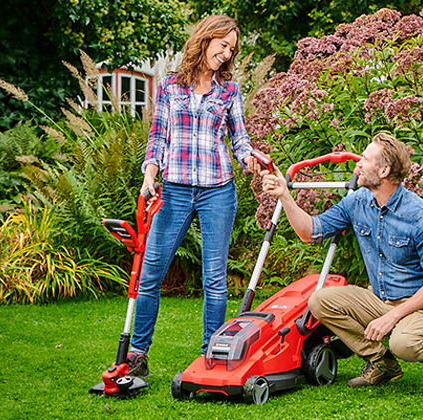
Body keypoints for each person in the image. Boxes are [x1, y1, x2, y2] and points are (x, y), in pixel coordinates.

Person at [261, 133, 423, 395]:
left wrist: (392, 316)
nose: (357, 165)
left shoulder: (421, 217)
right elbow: (310, 232)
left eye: (365, 159)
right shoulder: (358, 201)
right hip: (382, 299)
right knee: (319, 301)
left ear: (383, 170)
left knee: (403, 343)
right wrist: (284, 195)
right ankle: (382, 362)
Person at [127, 15, 262, 377]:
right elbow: (157, 138)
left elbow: (239, 140)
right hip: (173, 188)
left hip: (218, 189)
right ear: (206, 39)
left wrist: (251, 160)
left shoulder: (230, 91)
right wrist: (149, 178)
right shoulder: (170, 86)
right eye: (224, 44)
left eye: (232, 49)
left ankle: (211, 355)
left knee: (215, 278)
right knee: (151, 271)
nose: (227, 53)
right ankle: (137, 355)